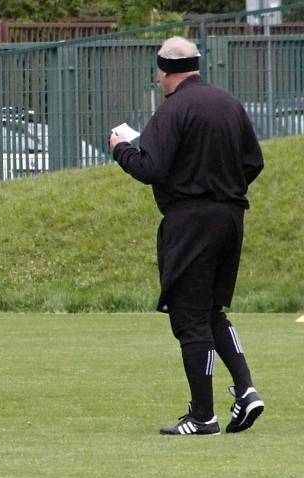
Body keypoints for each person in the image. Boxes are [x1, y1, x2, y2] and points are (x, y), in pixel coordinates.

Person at [109, 36, 265, 436]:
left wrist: (121, 148)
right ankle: (246, 390)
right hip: (230, 217)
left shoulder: (173, 109)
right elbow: (253, 162)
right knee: (211, 310)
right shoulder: (228, 103)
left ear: (164, 71)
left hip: (190, 222)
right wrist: (222, 189)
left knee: (189, 317)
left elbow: (151, 168)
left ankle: (203, 415)